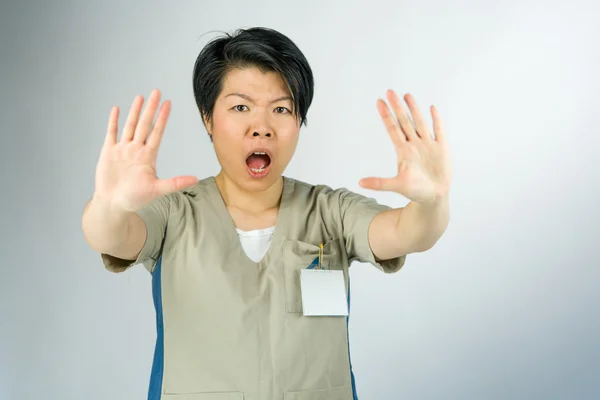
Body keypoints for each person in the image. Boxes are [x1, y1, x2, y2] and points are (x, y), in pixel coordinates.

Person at [82, 27, 451, 400]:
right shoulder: (175, 213)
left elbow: (409, 232)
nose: (262, 128)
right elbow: (110, 235)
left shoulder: (330, 212)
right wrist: (109, 205)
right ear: (208, 118)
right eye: (241, 107)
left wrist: (432, 202)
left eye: (281, 109)